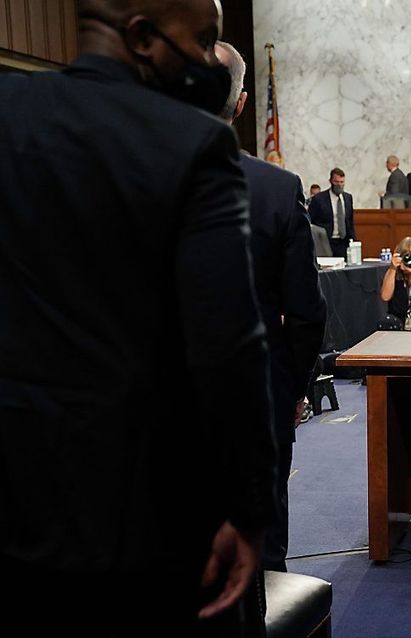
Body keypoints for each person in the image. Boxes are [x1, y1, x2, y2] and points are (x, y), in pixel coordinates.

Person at [0, 0, 275, 633]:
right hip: (142, 514)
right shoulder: (195, 142)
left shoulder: (9, 114)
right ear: (145, 38)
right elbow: (228, 345)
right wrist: (249, 504)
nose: (210, 61)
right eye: (204, 41)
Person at [216, 40, 326, 574]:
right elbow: (305, 311)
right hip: (259, 388)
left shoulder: (128, 178)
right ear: (240, 106)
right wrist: (296, 387)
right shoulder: (277, 188)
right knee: (261, 537)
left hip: (152, 396)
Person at [308, 167, 355, 258]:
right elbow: (311, 222)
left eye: (342, 182)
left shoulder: (348, 198)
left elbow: (350, 221)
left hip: (343, 242)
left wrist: (353, 241)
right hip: (325, 241)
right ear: (330, 181)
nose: (340, 185)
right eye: (336, 182)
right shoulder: (319, 199)